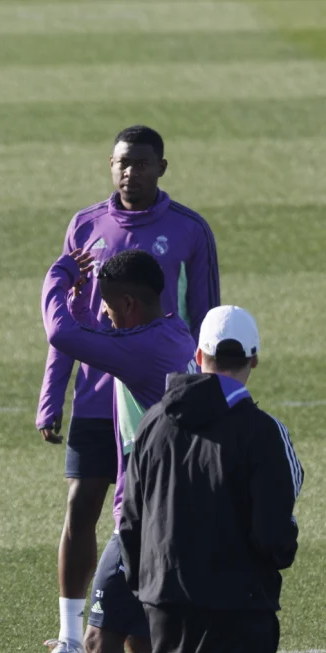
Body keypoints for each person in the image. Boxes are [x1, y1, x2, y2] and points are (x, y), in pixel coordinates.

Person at [38, 125, 220, 653]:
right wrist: (53, 395)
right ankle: (74, 637)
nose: (129, 173)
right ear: (109, 165)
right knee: (82, 508)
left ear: (162, 167)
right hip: (99, 398)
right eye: (121, 163)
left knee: (144, 518)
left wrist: (206, 399)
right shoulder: (86, 224)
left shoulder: (189, 230)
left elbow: (206, 316)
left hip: (154, 400)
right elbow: (71, 322)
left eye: (141, 163)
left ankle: (127, 631)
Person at [120, 306, 302, 653]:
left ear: (199, 354)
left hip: (165, 605)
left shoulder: (152, 423)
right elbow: (272, 535)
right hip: (240, 609)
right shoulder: (263, 432)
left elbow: (131, 521)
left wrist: (148, 588)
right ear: (254, 360)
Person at [42, 249, 197, 653]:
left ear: (129, 304)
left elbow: (61, 334)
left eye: (107, 305)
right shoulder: (169, 333)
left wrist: (58, 276)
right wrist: (80, 299)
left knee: (96, 639)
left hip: (143, 520)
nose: (105, 313)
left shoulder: (143, 351)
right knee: (140, 639)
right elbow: (93, 334)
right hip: (172, 514)